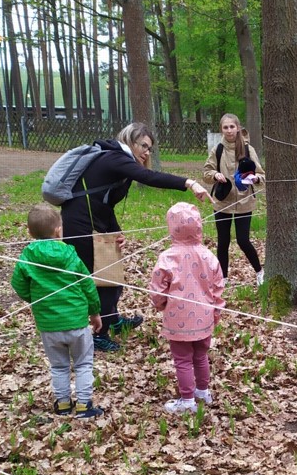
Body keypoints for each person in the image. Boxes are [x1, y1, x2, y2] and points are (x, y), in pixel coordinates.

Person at [59, 122, 208, 353]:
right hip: (80, 224)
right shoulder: (115, 158)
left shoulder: (120, 161)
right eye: (143, 146)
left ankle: (112, 320)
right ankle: (99, 334)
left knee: (112, 273)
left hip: (95, 220)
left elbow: (105, 202)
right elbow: (149, 177)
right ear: (130, 141)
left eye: (150, 148)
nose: (147, 152)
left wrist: (115, 230)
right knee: (99, 279)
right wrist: (189, 183)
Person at [11, 204, 104, 419]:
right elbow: (87, 285)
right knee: (83, 363)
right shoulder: (70, 255)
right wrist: (95, 312)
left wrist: (36, 300)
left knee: (59, 366)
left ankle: (63, 404)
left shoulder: (27, 256)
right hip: (76, 322)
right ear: (58, 231)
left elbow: (18, 284)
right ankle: (84, 405)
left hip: (49, 325)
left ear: (30, 232)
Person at [148, 203, 225, 414]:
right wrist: (216, 310)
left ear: (172, 227)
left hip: (178, 318)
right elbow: (218, 286)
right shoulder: (208, 255)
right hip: (204, 316)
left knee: (183, 360)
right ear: (198, 226)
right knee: (200, 356)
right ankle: (202, 391)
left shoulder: (168, 257)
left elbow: (157, 289)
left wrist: (160, 304)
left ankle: (188, 400)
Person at [203, 114, 266, 287]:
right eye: (226, 127)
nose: (229, 130)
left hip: (245, 202)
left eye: (232, 127)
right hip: (222, 201)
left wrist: (255, 178)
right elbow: (206, 173)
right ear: (221, 129)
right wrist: (215, 174)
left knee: (243, 240)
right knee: (223, 241)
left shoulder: (248, 149)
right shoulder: (217, 150)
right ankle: (223, 278)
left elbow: (261, 174)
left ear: (238, 128)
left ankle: (260, 272)